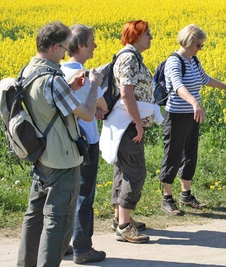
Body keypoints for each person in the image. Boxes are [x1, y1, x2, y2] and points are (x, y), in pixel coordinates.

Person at [17, 21, 103, 266]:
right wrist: (94, 84)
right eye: (65, 47)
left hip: (40, 155)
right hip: (62, 159)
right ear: (55, 47)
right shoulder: (52, 79)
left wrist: (70, 87)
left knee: (33, 218)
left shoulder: (28, 70)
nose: (66, 53)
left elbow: (47, 106)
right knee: (59, 222)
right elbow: (87, 113)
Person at [159, 24, 226, 216]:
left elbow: (205, 79)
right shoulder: (174, 62)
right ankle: (167, 198)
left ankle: (186, 195)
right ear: (187, 42)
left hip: (192, 115)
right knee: (173, 155)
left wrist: (225, 87)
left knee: (190, 154)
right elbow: (177, 86)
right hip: (177, 116)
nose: (200, 48)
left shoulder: (193, 60)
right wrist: (194, 102)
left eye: (202, 45)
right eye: (198, 45)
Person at [99, 20, 160, 243]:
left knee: (124, 170)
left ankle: (120, 218)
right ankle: (124, 226)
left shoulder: (131, 56)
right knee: (135, 171)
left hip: (125, 123)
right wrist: (138, 123)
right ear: (135, 36)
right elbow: (126, 93)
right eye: (147, 34)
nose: (151, 38)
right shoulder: (128, 58)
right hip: (127, 124)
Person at [60, 24, 107, 264]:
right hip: (86, 142)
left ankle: (61, 244)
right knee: (83, 196)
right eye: (92, 42)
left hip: (62, 143)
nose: (95, 46)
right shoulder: (86, 76)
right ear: (80, 46)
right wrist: (96, 85)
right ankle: (82, 248)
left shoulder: (57, 72)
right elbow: (103, 107)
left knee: (63, 194)